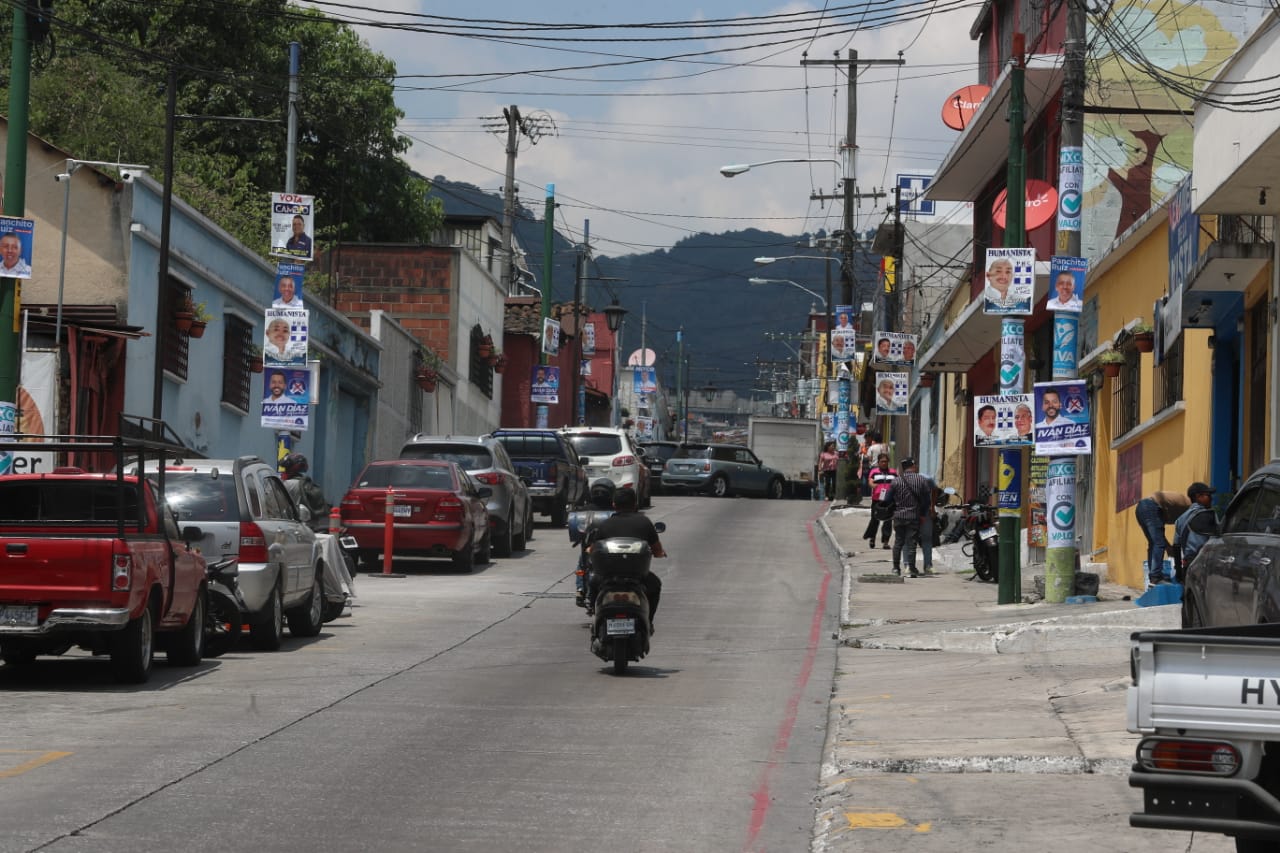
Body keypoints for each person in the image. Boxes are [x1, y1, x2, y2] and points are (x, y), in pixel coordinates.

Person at [585, 487, 665, 622]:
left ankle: (596, 616)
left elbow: (592, 550)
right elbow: (657, 551)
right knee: (655, 585)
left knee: (592, 583)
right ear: (635, 504)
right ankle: (649, 621)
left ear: (614, 505)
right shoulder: (644, 522)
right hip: (637, 577)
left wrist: (588, 551)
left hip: (608, 577)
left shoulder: (605, 524)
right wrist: (660, 554)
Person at [883, 457, 934, 577]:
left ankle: (896, 568)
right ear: (913, 466)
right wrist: (922, 514)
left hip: (899, 516)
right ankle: (911, 568)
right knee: (912, 543)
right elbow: (927, 500)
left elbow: (887, 499)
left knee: (898, 542)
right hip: (913, 516)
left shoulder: (896, 481)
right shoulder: (921, 480)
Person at [1134, 488, 1193, 586]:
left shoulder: (1183, 510)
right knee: (1158, 544)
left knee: (1154, 543)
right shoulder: (1191, 509)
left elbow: (1160, 537)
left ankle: (1154, 577)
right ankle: (1156, 577)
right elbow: (1183, 534)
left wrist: (1169, 547)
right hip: (1151, 506)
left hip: (1141, 508)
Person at [1174, 482, 1217, 576]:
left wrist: (1178, 572)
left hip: (1188, 565)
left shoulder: (1180, 519)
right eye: (1208, 495)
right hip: (1204, 564)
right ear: (1199, 496)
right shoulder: (1208, 515)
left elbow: (1176, 546)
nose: (1211, 499)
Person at [280, 452, 329, 530]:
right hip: (313, 524)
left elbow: (273, 504)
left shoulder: (287, 485)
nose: (283, 472)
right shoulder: (307, 482)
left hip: (294, 526)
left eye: (285, 469)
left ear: (289, 469)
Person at [861, 453, 897, 549]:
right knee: (874, 519)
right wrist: (873, 485)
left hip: (889, 500)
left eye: (886, 461)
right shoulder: (874, 471)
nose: (884, 463)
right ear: (878, 462)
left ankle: (885, 541)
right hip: (877, 499)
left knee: (888, 521)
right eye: (882, 461)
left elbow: (897, 483)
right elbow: (870, 481)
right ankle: (872, 538)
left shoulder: (893, 472)